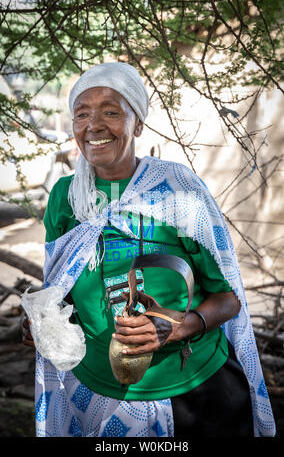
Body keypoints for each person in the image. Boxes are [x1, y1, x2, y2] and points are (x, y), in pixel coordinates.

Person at [23, 61, 275, 438]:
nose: (94, 125)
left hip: (193, 390)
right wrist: (44, 323)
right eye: (82, 114)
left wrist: (178, 327)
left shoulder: (179, 190)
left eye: (111, 111)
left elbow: (229, 298)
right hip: (95, 391)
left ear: (137, 123)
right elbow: (60, 289)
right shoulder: (65, 197)